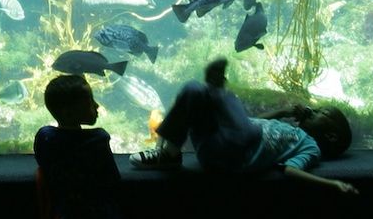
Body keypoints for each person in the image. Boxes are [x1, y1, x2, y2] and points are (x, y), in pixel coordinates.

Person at [129, 57, 357, 198]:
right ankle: (169, 153)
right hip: (219, 144)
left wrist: (332, 184)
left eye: (321, 113)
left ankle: (219, 93)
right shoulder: (289, 129)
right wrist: (283, 112)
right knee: (192, 88)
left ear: (331, 136)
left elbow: (290, 170)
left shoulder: (311, 147)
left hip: (234, 157)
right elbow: (252, 122)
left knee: (243, 125)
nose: (313, 111)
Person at [33, 74, 134, 219]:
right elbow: (114, 183)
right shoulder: (98, 141)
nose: (96, 106)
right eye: (89, 101)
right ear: (69, 111)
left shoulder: (45, 140)